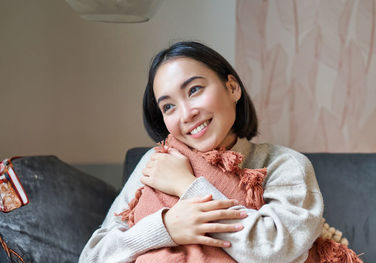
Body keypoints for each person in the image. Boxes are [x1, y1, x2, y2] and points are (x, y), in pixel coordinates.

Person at [79, 41, 324, 262]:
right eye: (169, 106)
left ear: (232, 88)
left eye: (194, 90)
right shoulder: (157, 162)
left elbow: (278, 251)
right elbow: (93, 256)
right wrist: (166, 229)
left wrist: (186, 185)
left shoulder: (283, 164)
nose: (186, 114)